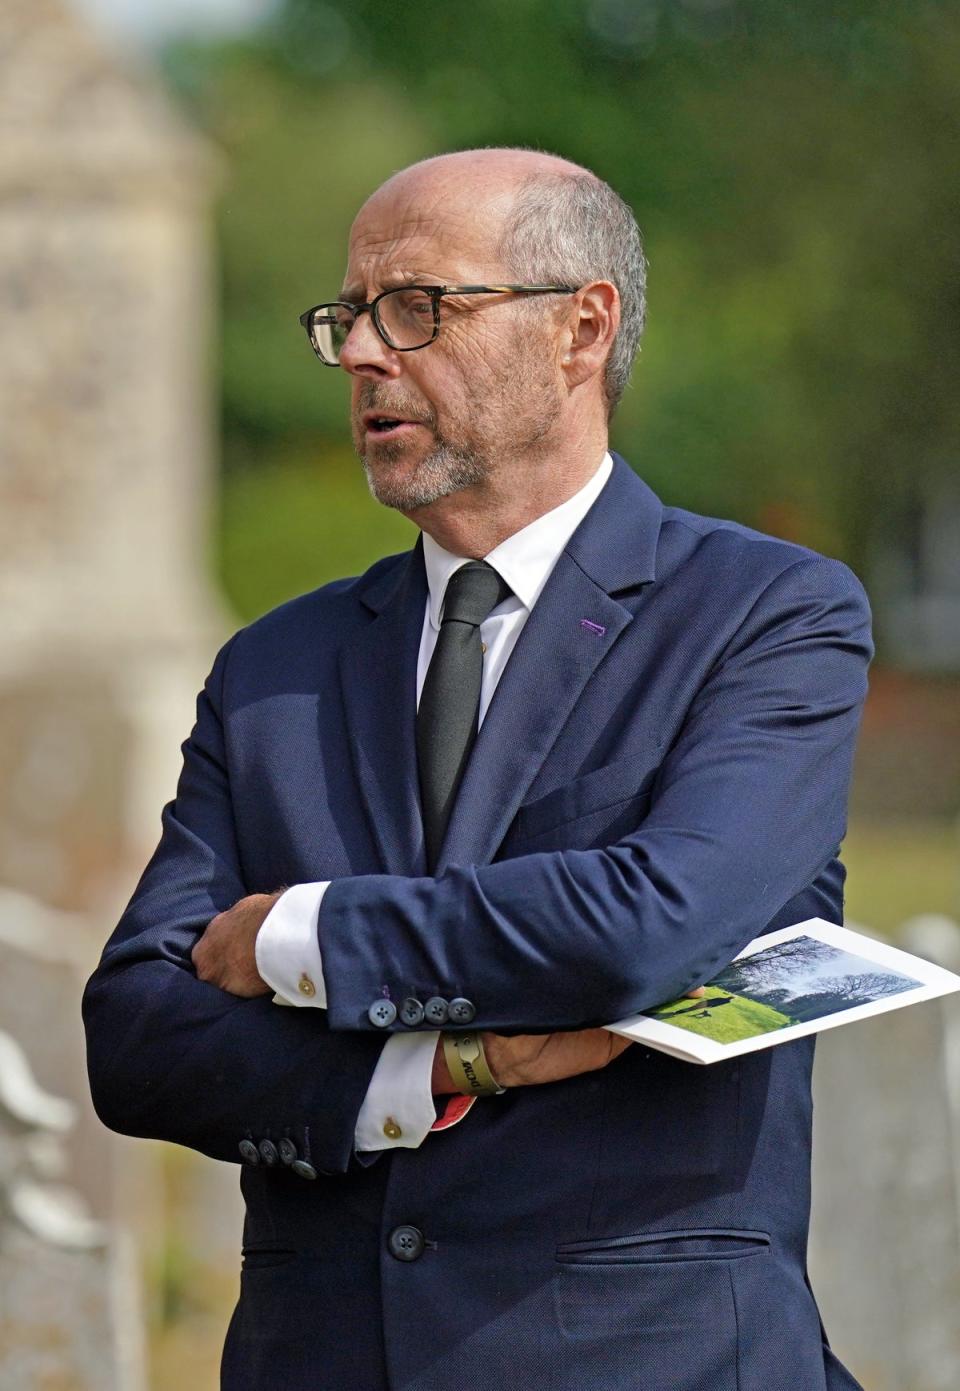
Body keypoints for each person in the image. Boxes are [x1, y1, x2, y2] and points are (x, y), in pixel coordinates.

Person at [83, 147, 872, 1391]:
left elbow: (648, 923)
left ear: (580, 328)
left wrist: (307, 932)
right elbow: (135, 1033)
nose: (359, 354)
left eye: (415, 308)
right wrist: (455, 1061)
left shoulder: (767, 614)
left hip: (647, 1361)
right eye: (348, 316)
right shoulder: (273, 666)